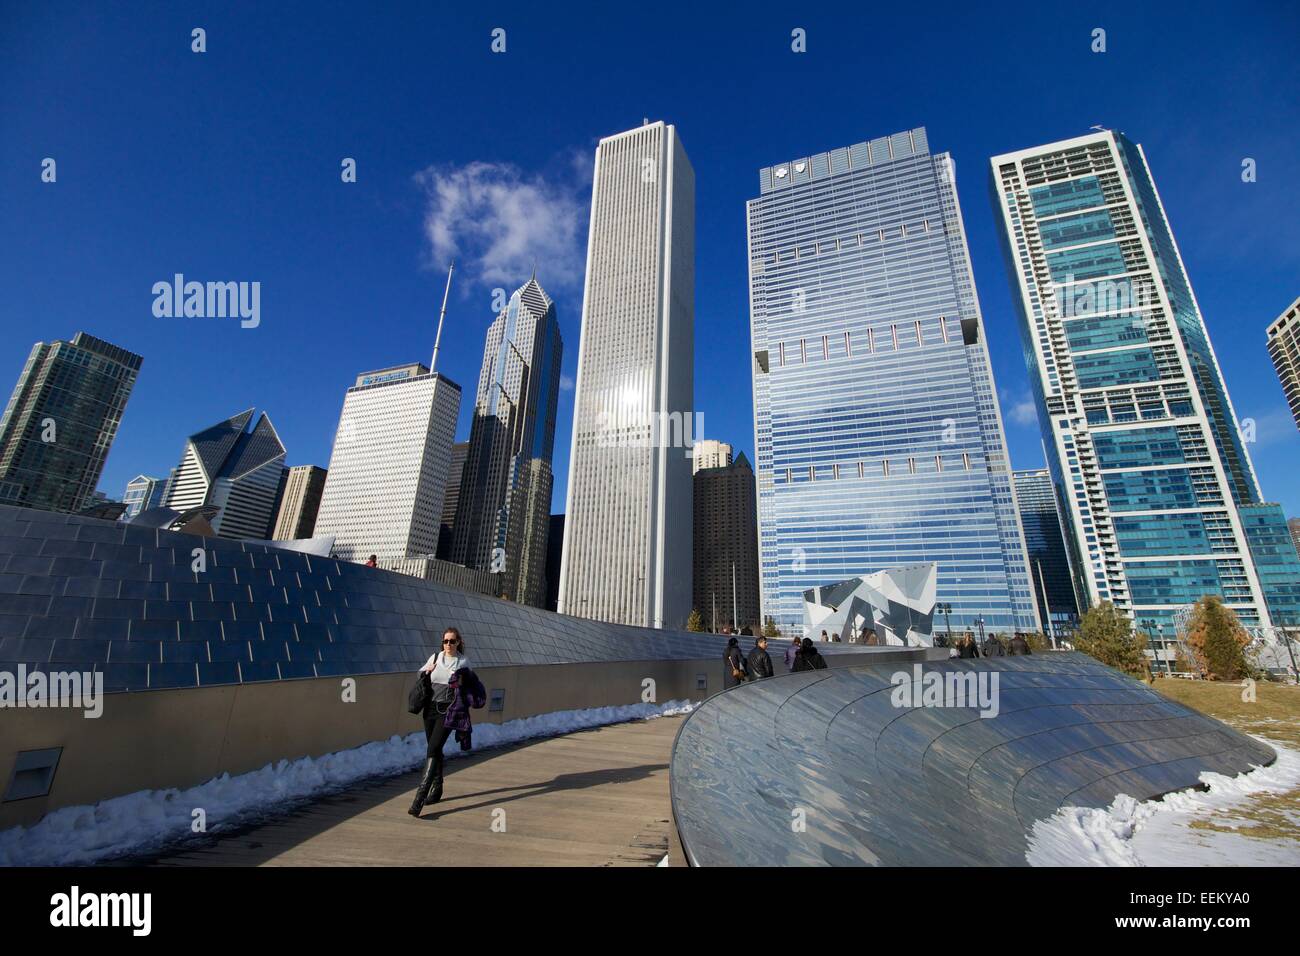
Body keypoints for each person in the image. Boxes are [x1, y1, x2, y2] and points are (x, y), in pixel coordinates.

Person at [409, 627, 486, 816]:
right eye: (445, 641)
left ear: (459, 642)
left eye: (452, 641)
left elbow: (470, 685)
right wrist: (427, 671)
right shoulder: (435, 657)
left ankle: (419, 799)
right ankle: (438, 787)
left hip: (448, 711)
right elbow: (419, 675)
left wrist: (460, 682)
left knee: (433, 748)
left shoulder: (463, 662)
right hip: (430, 709)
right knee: (434, 748)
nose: (448, 645)